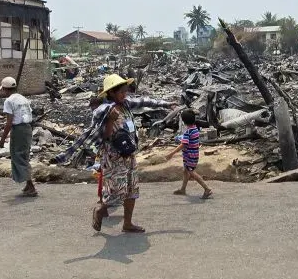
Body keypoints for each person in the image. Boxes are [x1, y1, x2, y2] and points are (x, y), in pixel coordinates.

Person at [90, 74, 176, 233]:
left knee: (132, 189)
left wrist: (166, 104)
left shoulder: (126, 104)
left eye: (125, 91)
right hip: (113, 157)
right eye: (121, 92)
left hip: (129, 155)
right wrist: (110, 119)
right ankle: (100, 210)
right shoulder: (103, 110)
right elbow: (104, 136)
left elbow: (145, 101)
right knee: (115, 190)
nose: (125, 94)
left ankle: (127, 223)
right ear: (111, 93)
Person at [0, 76, 37, 197]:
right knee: (24, 156)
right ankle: (28, 185)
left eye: (3, 90)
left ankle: (31, 187)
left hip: (18, 130)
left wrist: (2, 140)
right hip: (27, 129)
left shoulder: (9, 101)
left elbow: (9, 123)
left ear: (5, 89)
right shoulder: (23, 98)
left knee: (18, 157)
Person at [167, 108, 213, 199]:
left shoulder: (188, 132)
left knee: (191, 172)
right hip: (193, 154)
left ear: (183, 122)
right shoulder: (195, 129)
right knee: (186, 171)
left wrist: (171, 153)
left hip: (189, 156)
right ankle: (183, 189)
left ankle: (207, 188)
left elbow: (183, 144)